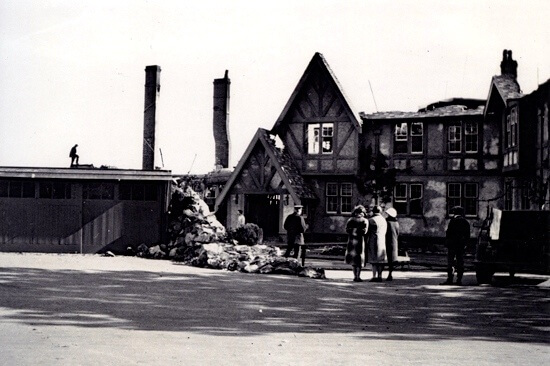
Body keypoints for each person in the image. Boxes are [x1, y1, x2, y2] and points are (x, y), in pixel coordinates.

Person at [441, 206, 470, 286]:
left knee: (450, 262)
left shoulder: (453, 221)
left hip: (452, 245)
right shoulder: (465, 222)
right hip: (460, 245)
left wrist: (447, 243)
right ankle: (459, 280)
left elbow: (449, 233)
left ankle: (450, 279)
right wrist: (465, 244)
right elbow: (467, 235)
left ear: (455, 213)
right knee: (460, 262)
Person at [345, 205, 369, 282]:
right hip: (360, 241)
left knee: (353, 260)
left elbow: (347, 230)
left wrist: (353, 231)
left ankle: (355, 276)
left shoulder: (350, 220)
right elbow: (365, 231)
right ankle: (358, 276)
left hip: (351, 241)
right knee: (359, 259)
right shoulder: (365, 220)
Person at [367, 205, 388, 282]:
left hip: (373, 240)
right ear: (380, 211)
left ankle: (374, 276)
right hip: (382, 240)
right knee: (380, 260)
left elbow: (367, 231)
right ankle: (380, 276)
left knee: (374, 260)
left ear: (373, 211)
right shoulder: (384, 220)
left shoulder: (371, 220)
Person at [384, 207, 400, 281]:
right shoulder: (396, 223)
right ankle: (390, 273)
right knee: (391, 259)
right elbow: (397, 233)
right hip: (394, 242)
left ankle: (381, 274)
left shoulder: (387, 222)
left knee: (386, 258)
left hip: (387, 241)